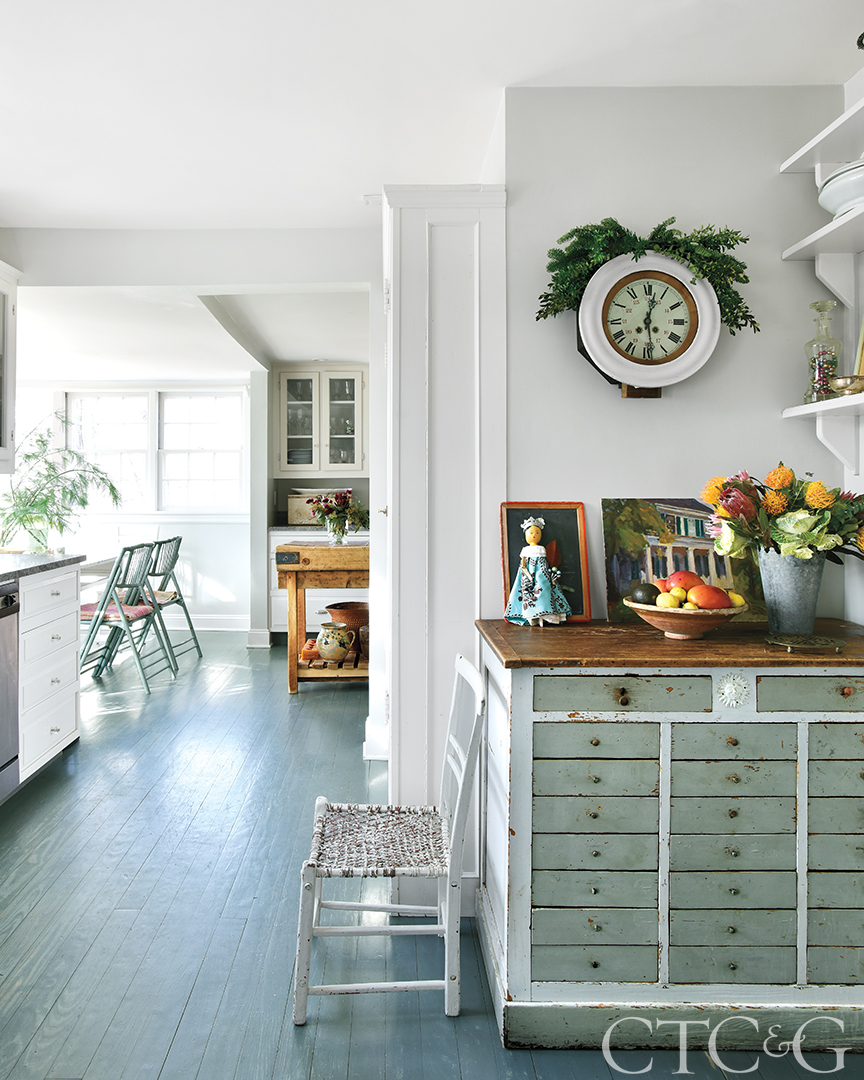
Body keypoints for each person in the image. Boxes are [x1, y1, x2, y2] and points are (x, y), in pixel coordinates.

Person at [504, 516, 571, 626]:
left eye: (537, 532)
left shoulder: (541, 549)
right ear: (526, 535)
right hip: (529, 575)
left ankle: (546, 614)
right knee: (529, 594)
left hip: (542, 574)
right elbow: (523, 565)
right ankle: (532, 616)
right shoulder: (526, 550)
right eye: (531, 533)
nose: (534, 535)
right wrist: (528, 576)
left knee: (544, 591)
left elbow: (545, 563)